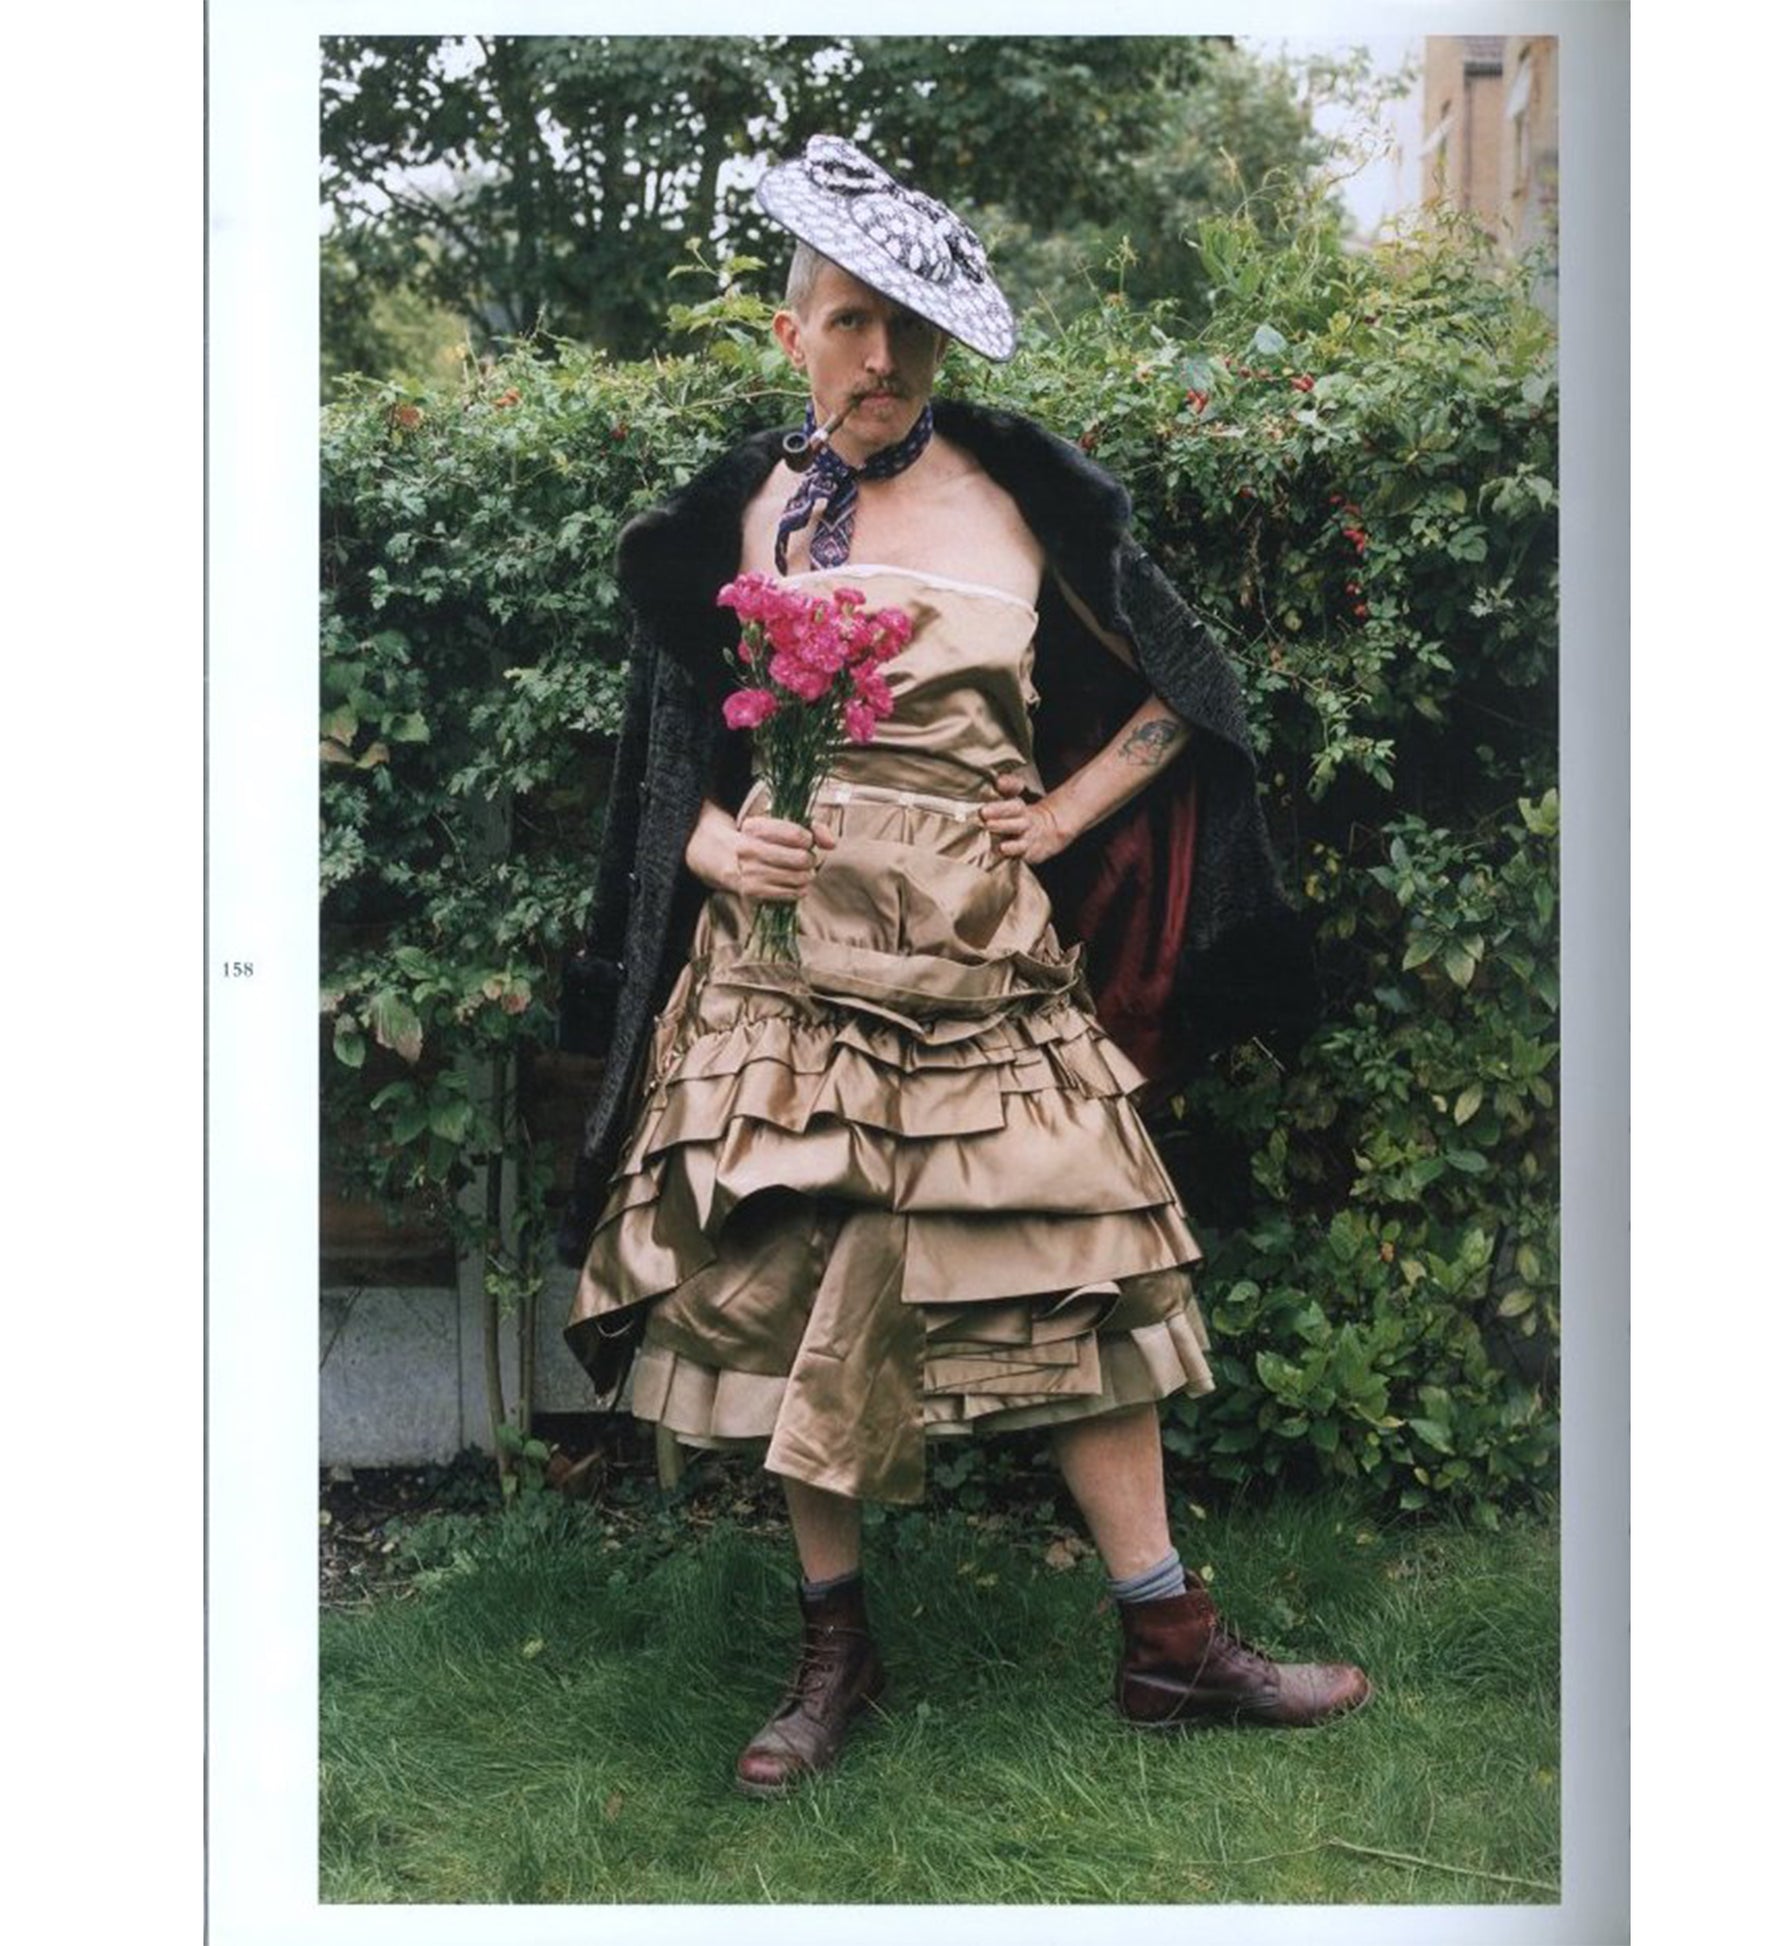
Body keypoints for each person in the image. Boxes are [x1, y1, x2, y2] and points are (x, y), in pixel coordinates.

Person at [556, 135, 1370, 1798]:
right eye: (852, 322)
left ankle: (1167, 1639)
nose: (883, 359)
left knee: (1083, 1265)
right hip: (787, 982)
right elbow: (658, 781)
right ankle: (834, 1645)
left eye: (910, 329)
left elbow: (1189, 695)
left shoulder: (1025, 499)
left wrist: (1060, 812)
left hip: (984, 971)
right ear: (791, 331)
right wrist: (719, 849)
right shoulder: (734, 515)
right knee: (793, 1286)